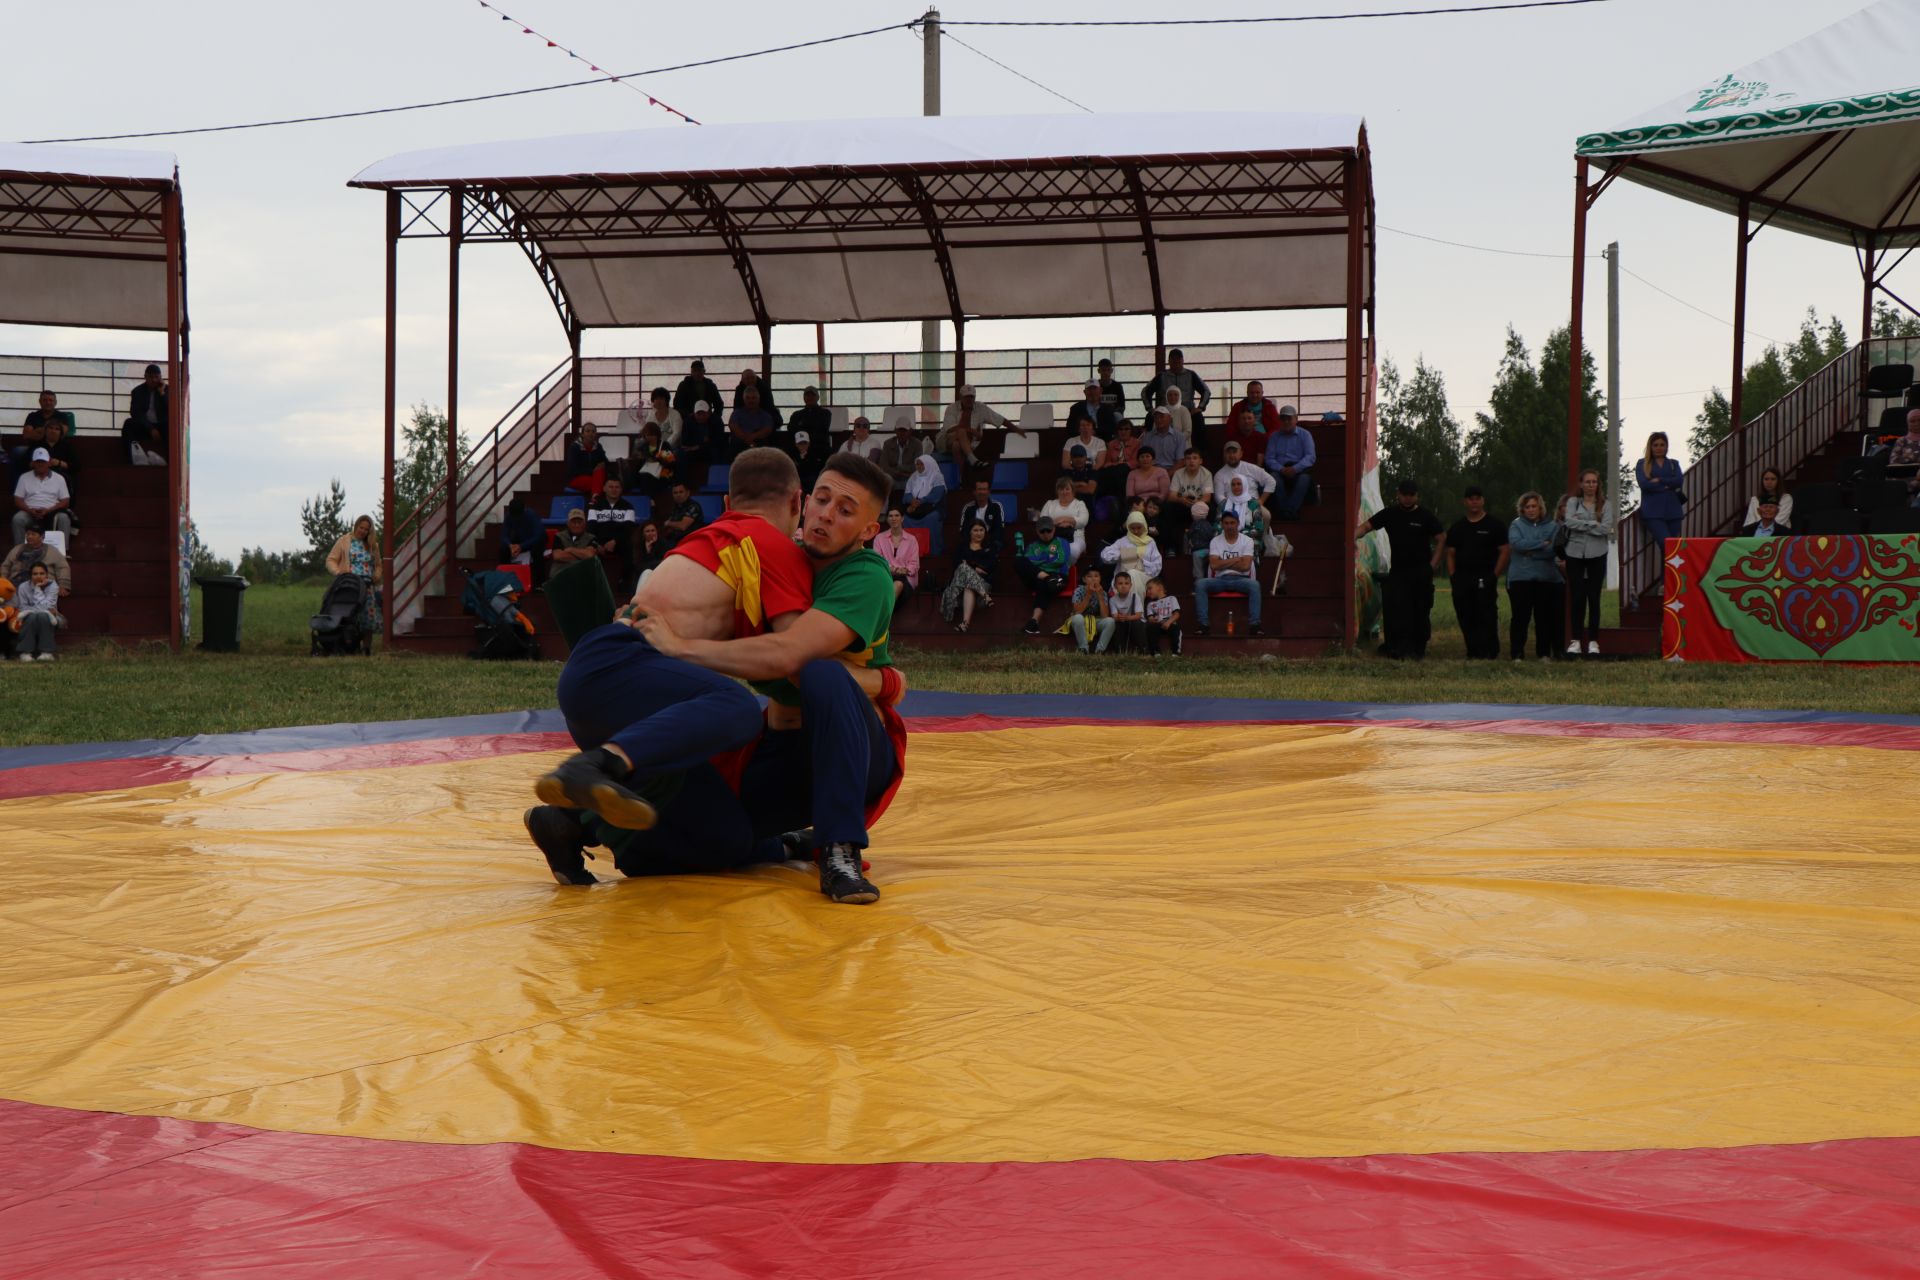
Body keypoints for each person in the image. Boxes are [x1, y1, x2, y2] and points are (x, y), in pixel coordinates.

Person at [527, 448, 820, 885]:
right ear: (798, 501)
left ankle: (569, 822)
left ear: (725, 503)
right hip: (625, 668)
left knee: (725, 837)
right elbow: (798, 654)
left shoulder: (702, 540)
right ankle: (590, 768)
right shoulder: (768, 544)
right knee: (737, 707)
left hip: (603, 678)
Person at [631, 452, 909, 905]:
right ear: (803, 501)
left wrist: (681, 648)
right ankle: (585, 821)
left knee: (821, 673)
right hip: (786, 756)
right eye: (821, 499)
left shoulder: (866, 576)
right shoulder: (775, 559)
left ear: (868, 531)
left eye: (845, 510)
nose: (825, 515)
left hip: (858, 758)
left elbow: (790, 654)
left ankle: (839, 850)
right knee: (690, 839)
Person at [1359, 479, 1443, 660]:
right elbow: (1367, 526)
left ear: (1416, 496)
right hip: (1398, 572)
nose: (1407, 498)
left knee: (1421, 610)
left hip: (1421, 572)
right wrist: (1351, 536)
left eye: (1411, 495)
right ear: (1398, 495)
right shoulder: (1390, 514)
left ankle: (1418, 649)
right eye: (1404, 494)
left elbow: (1442, 538)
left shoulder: (1426, 516)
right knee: (1399, 611)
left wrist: (1433, 565)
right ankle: (1398, 648)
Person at [1443, 485, 1508, 660]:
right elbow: (1450, 553)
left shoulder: (1495, 525)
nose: (1474, 502)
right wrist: (1453, 575)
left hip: (1485, 576)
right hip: (1462, 578)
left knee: (1486, 614)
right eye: (1471, 498)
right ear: (1465, 501)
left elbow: (1504, 551)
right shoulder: (1457, 527)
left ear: (1483, 500)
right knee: (1465, 614)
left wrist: (1495, 575)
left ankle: (1490, 651)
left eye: (1477, 498)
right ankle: (1473, 651)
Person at [1560, 469, 1611, 657]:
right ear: (1581, 484)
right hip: (1574, 553)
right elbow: (1569, 523)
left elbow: (1606, 528)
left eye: (1594, 482)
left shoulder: (1606, 505)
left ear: (1598, 484)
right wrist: (1592, 524)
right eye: (1587, 482)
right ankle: (1575, 640)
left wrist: (1584, 523)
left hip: (1597, 553)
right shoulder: (1573, 502)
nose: (1590, 485)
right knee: (1578, 596)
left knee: (1594, 597)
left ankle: (1593, 641)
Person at [1507, 491, 1563, 661]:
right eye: (1527, 507)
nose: (1531, 510)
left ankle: (1544, 653)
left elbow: (1553, 549)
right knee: (1520, 618)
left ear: (1540, 508)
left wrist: (1531, 553)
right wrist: (1541, 544)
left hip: (1545, 578)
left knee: (1543, 618)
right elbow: (1516, 544)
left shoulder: (1552, 526)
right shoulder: (1516, 525)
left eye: (1534, 506)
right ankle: (1517, 653)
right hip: (1520, 578)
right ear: (1522, 510)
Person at [1194, 509, 1262, 636]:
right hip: (1220, 579)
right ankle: (1203, 624)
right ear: (1222, 524)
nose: (1229, 526)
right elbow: (1214, 565)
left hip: (1241, 579)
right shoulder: (1215, 541)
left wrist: (1223, 562)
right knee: (1200, 584)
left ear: (1238, 523)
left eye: (1232, 523)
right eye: (1226, 523)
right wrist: (1236, 559)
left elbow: (1246, 566)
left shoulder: (1247, 541)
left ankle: (1254, 625)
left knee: (1255, 586)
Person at [937, 385, 1021, 470]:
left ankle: (959, 479)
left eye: (971, 397)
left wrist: (1017, 429)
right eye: (966, 397)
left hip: (968, 444)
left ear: (975, 397)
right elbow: (949, 429)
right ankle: (973, 460)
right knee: (961, 432)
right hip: (946, 441)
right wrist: (972, 431)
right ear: (961, 397)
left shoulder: (981, 408)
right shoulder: (952, 408)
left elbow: (1000, 419)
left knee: (957, 446)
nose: (969, 399)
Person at [325, 514, 383, 634]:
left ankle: (366, 649)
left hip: (367, 586)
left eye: (366, 529)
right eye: (361, 527)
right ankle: (349, 644)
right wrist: (338, 572)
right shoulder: (344, 541)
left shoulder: (373, 545)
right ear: (356, 526)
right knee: (349, 613)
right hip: (350, 584)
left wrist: (377, 575)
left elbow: (378, 565)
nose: (363, 531)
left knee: (368, 617)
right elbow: (331, 560)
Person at [1018, 515, 1071, 634]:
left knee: (1044, 584)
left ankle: (1034, 622)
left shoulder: (1062, 542)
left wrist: (1040, 560)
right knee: (1019, 561)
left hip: (1058, 577)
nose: (1046, 533)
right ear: (1037, 531)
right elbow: (1028, 561)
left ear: (1054, 529)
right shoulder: (1032, 546)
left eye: (1049, 530)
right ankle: (1046, 578)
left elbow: (1060, 560)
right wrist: (1046, 562)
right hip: (1040, 576)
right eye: (1042, 531)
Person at [1142, 349, 1211, 440]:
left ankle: (1200, 451)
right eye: (1173, 360)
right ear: (1169, 361)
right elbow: (1145, 392)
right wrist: (1150, 408)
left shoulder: (1191, 375)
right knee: (1150, 417)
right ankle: (1148, 448)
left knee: (1198, 418)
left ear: (1182, 361)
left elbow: (1206, 391)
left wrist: (1200, 408)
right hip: (1164, 410)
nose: (1176, 363)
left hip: (1188, 410)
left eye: (1178, 360)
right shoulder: (1161, 376)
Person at [941, 519, 996, 632]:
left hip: (982, 582)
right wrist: (975, 567)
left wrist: (969, 563)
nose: (979, 533)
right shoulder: (962, 547)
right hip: (959, 583)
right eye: (975, 530)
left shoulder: (990, 548)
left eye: (981, 530)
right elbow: (957, 563)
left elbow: (990, 566)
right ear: (969, 532)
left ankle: (965, 623)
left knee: (968, 585)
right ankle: (985, 595)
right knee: (963, 567)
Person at [588, 477, 640, 594]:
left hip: (619, 542)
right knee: (588, 548)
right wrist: (597, 545)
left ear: (621, 489)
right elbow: (590, 529)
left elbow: (628, 529)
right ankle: (594, 586)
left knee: (629, 547)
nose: (614, 490)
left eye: (617, 487)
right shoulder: (595, 507)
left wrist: (614, 541)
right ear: (604, 489)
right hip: (599, 542)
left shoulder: (628, 506)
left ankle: (624, 582)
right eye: (611, 487)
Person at [1262, 407, 1316, 522]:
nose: (1286, 422)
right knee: (1273, 478)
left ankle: (1288, 511)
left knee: (1304, 479)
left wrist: (1295, 469)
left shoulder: (1305, 435)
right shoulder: (1274, 437)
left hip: (1299, 470)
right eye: (1283, 419)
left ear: (1296, 419)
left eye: (1289, 419)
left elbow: (1310, 457)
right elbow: (1269, 458)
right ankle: (1289, 512)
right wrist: (1281, 469)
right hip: (1279, 470)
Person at [1634, 431, 1685, 551]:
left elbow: (1678, 481)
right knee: (1666, 545)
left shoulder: (1673, 463)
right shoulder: (1643, 464)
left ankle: (1667, 571)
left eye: (1662, 445)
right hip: (1652, 513)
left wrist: (1659, 480)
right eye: (1655, 445)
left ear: (1666, 447)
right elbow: (1645, 484)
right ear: (1650, 447)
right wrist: (1667, 485)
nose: (1659, 448)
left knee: (1673, 550)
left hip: (1673, 512)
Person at [13, 450, 72, 546]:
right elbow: (17, 499)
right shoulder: (24, 477)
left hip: (52, 512)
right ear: (33, 463)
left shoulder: (59, 478)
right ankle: (20, 550)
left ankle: (63, 552)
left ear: (49, 463)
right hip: (29, 512)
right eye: (38, 462)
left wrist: (48, 510)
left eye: (43, 462)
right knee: (18, 518)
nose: (41, 464)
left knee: (64, 518)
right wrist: (30, 510)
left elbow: (66, 501)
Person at [1101, 509, 1163, 598]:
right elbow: (1104, 556)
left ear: (1144, 526)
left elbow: (1157, 566)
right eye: (1133, 528)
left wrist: (1140, 561)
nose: (1136, 531)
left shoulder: (1150, 542)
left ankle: (1135, 609)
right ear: (1128, 527)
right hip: (1122, 579)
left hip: (1144, 578)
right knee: (1129, 575)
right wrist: (1122, 555)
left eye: (1139, 528)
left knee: (1133, 573)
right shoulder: (1122, 541)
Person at [1165, 446, 1213, 551]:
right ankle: (1171, 547)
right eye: (1188, 458)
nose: (1191, 461)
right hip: (1182, 505)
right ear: (1184, 461)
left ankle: (1207, 545)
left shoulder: (1206, 474)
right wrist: (1181, 499)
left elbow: (1207, 497)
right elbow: (1171, 496)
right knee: (1168, 507)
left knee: (1211, 507)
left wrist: (1196, 502)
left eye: (1195, 458)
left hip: (1198, 506)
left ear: (1201, 461)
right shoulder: (1178, 473)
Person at [12, 390, 72, 474]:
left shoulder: (62, 416)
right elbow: (26, 435)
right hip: (34, 447)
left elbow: (60, 434)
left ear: (55, 402)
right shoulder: (32, 416)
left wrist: (37, 431)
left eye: (50, 400)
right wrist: (47, 431)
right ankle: (19, 484)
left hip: (57, 447)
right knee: (17, 451)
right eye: (45, 400)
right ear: (40, 402)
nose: (48, 402)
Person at [12, 560, 62, 660]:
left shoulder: (53, 586)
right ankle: (25, 653)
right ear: (31, 576)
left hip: (51, 617)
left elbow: (48, 607)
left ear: (47, 575)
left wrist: (38, 589)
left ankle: (46, 652)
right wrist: (40, 610)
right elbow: (23, 607)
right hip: (28, 617)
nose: (38, 576)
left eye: (42, 573)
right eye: (35, 574)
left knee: (42, 616)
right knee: (33, 616)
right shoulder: (23, 587)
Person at [120, 364, 169, 465]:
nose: (154, 380)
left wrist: (162, 394)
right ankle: (133, 459)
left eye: (157, 377)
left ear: (161, 378)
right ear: (145, 377)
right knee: (128, 424)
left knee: (171, 427)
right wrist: (150, 428)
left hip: (162, 427)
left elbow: (171, 411)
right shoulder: (137, 392)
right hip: (145, 427)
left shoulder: (167, 390)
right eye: (151, 377)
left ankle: (168, 460)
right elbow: (135, 413)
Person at [3, 523, 70, 594]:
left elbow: (63, 567)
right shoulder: (17, 549)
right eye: (28, 534)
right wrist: (3, 581)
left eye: (33, 534)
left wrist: (63, 585)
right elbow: (6, 566)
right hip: (16, 584)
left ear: (42, 536)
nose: (29, 537)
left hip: (42, 586)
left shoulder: (52, 551)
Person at [900, 454, 948, 555]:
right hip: (916, 506)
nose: (919, 467)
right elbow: (907, 494)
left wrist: (920, 501)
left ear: (928, 464)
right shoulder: (914, 476)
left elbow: (937, 495)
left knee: (932, 518)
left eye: (921, 464)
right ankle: (911, 552)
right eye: (917, 464)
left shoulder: (937, 476)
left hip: (932, 507)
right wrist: (912, 501)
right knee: (906, 519)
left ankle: (933, 552)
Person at [874, 506, 920, 608]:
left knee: (898, 584)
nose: (893, 518)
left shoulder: (911, 540)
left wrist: (905, 570)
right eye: (890, 516)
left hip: (905, 578)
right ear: (887, 519)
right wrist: (893, 569)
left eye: (897, 515)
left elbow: (914, 564)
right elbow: (878, 561)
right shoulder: (879, 538)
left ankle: (881, 615)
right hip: (885, 575)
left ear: (902, 518)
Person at [1039, 476, 1090, 565]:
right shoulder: (1050, 504)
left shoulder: (1079, 504)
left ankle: (1064, 572)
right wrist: (1055, 522)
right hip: (1052, 538)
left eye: (1067, 489)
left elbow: (1083, 521)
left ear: (1073, 491)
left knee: (1071, 551)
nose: (1064, 492)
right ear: (1057, 491)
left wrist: (1067, 519)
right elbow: (1042, 522)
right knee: (1046, 552)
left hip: (1075, 538)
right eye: (1061, 489)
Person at [498, 496, 547, 587]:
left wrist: (521, 546)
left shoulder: (531, 515)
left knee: (537, 551)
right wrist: (510, 545)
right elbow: (503, 535)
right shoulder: (509, 516)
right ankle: (505, 581)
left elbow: (538, 535)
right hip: (519, 542)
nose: (516, 518)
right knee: (503, 550)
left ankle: (539, 584)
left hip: (533, 542)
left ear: (524, 509)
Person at [1213, 439, 1276, 506]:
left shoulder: (1251, 468)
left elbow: (1271, 481)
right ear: (1224, 455)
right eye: (1228, 452)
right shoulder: (1219, 475)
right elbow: (1218, 496)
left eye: (1234, 452)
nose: (1231, 455)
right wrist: (1232, 507)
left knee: (1267, 515)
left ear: (1241, 454)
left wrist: (1261, 501)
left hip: (1252, 506)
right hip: (1231, 508)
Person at [1068, 566, 1115, 654]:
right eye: (1089, 576)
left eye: (1096, 576)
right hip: (1080, 621)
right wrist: (1088, 594)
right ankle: (1083, 648)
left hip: (1095, 621)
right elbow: (1077, 611)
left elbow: (1104, 615)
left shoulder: (1103, 592)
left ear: (1100, 579)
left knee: (1110, 621)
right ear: (1084, 579)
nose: (1093, 579)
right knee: (1078, 618)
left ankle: (1100, 650)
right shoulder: (1078, 590)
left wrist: (1100, 596)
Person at [1226, 382, 1281, 454]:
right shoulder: (1238, 406)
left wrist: (1264, 438)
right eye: (1252, 393)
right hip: (1243, 441)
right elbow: (1230, 427)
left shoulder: (1269, 407)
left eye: (1257, 392)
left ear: (1262, 393)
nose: (1255, 395)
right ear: (1247, 393)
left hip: (1266, 440)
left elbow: (1276, 427)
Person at [1126, 446, 1171, 533]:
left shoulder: (1162, 472)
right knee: (1129, 511)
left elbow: (1164, 493)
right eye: (1142, 457)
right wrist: (1142, 505)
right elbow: (1130, 495)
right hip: (1139, 504)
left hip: (1157, 502)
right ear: (1138, 460)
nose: (1145, 459)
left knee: (1166, 510)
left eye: (1147, 456)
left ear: (1153, 459)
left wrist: (1151, 505)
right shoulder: (1132, 474)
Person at [957, 478, 1006, 557]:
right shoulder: (968, 508)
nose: (982, 492)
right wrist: (974, 542)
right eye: (979, 489)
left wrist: (986, 541)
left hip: (991, 541)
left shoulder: (996, 506)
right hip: (972, 541)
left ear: (989, 492)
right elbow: (963, 530)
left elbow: (999, 529)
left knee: (996, 545)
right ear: (974, 492)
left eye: (984, 489)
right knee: (960, 549)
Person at [726, 385, 777, 458]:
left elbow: (768, 429)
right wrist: (747, 439)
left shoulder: (765, 415)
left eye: (753, 398)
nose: (751, 400)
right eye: (748, 398)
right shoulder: (737, 413)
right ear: (744, 399)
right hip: (740, 443)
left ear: (758, 399)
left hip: (758, 443)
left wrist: (752, 437)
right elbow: (733, 426)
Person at [672, 359, 723, 428]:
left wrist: (714, 416)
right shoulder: (684, 385)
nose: (697, 373)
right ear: (691, 372)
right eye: (694, 371)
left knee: (718, 423)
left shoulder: (710, 385)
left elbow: (719, 403)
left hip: (707, 418)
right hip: (690, 418)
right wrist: (688, 415)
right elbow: (677, 404)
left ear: (704, 371)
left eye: (699, 370)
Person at [1137, 410, 1184, 485]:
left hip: (1172, 472)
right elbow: (1142, 458)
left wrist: (1166, 475)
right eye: (1156, 418)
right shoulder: (1147, 436)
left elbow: (1180, 462)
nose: (1158, 420)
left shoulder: (1179, 436)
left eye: (1162, 417)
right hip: (1151, 471)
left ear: (1169, 419)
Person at [881, 421, 926, 496]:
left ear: (910, 431)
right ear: (895, 430)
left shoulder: (917, 444)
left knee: (915, 481)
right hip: (892, 476)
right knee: (885, 481)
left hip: (909, 476)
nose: (902, 433)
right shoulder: (888, 444)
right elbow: (883, 465)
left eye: (905, 430)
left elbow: (918, 466)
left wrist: (900, 468)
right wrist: (895, 473)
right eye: (899, 430)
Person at [658, 480, 705, 552]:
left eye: (681, 492)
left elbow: (683, 526)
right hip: (676, 539)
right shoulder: (676, 507)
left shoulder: (693, 506)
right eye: (675, 493)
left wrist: (668, 523)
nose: (678, 495)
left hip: (690, 539)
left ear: (688, 493)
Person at [549, 509, 600, 574]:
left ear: (584, 524)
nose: (577, 525)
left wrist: (570, 549)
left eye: (579, 522)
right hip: (560, 573)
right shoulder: (559, 536)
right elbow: (558, 556)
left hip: (582, 574)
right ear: (568, 524)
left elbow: (589, 555)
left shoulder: (592, 538)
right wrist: (582, 556)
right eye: (574, 522)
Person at [1107, 570, 1147, 654]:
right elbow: (1114, 616)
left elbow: (1138, 615)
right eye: (1120, 583)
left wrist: (1127, 617)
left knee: (1137, 624)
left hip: (1134, 621)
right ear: (1115, 586)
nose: (1123, 586)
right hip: (1121, 621)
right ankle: (1119, 650)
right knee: (1117, 626)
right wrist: (1119, 618)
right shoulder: (1112, 600)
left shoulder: (1135, 596)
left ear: (1130, 585)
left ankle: (1143, 649)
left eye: (1126, 583)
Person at [565, 424, 610, 497]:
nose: (590, 433)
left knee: (600, 472)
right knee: (599, 483)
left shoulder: (598, 446)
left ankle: (595, 499)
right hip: (577, 478)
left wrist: (603, 464)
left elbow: (605, 461)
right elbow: (572, 470)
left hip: (596, 476)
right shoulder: (574, 447)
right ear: (582, 434)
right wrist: (593, 470)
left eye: (593, 431)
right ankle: (596, 500)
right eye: (587, 431)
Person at [675, 401, 715, 481]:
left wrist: (697, 446)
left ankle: (715, 480)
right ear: (694, 413)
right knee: (681, 454)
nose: (701, 417)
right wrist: (702, 440)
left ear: (709, 413)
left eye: (703, 414)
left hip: (708, 449)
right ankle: (682, 483)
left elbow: (717, 440)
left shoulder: (716, 421)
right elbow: (685, 441)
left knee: (716, 451)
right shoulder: (688, 421)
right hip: (692, 450)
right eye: (698, 414)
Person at [1143, 576, 1182, 656]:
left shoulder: (1171, 598)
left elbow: (1176, 614)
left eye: (1150, 588)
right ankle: (1155, 651)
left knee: (1176, 628)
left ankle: (1175, 652)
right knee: (1150, 628)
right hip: (1158, 624)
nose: (1148, 591)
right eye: (1147, 589)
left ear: (1160, 587)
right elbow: (1150, 618)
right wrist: (1153, 620)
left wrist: (1168, 622)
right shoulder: (1150, 604)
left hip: (1170, 622)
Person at [1158, 386, 1195, 452]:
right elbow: (1156, 429)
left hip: (1182, 445)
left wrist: (1174, 440)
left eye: (1176, 395)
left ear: (1180, 396)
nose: (1173, 397)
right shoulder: (1162, 410)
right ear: (1166, 397)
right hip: (1164, 443)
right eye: (1170, 395)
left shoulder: (1184, 410)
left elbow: (1188, 431)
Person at [633, 522, 664, 588]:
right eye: (647, 531)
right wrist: (648, 549)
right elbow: (638, 566)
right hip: (641, 574)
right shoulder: (638, 545)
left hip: (659, 574)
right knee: (646, 572)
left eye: (653, 530)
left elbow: (662, 563)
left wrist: (650, 552)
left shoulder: (663, 544)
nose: (651, 533)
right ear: (643, 534)